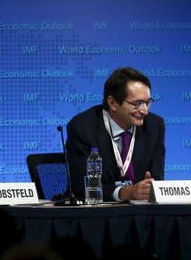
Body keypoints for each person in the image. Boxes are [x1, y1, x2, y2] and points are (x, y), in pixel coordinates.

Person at [66, 66, 165, 202]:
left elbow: (157, 180)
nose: (144, 111)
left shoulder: (155, 126)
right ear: (112, 103)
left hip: (141, 215)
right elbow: (79, 186)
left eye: (147, 103)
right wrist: (125, 193)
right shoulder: (82, 127)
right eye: (137, 104)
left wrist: (150, 188)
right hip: (97, 216)